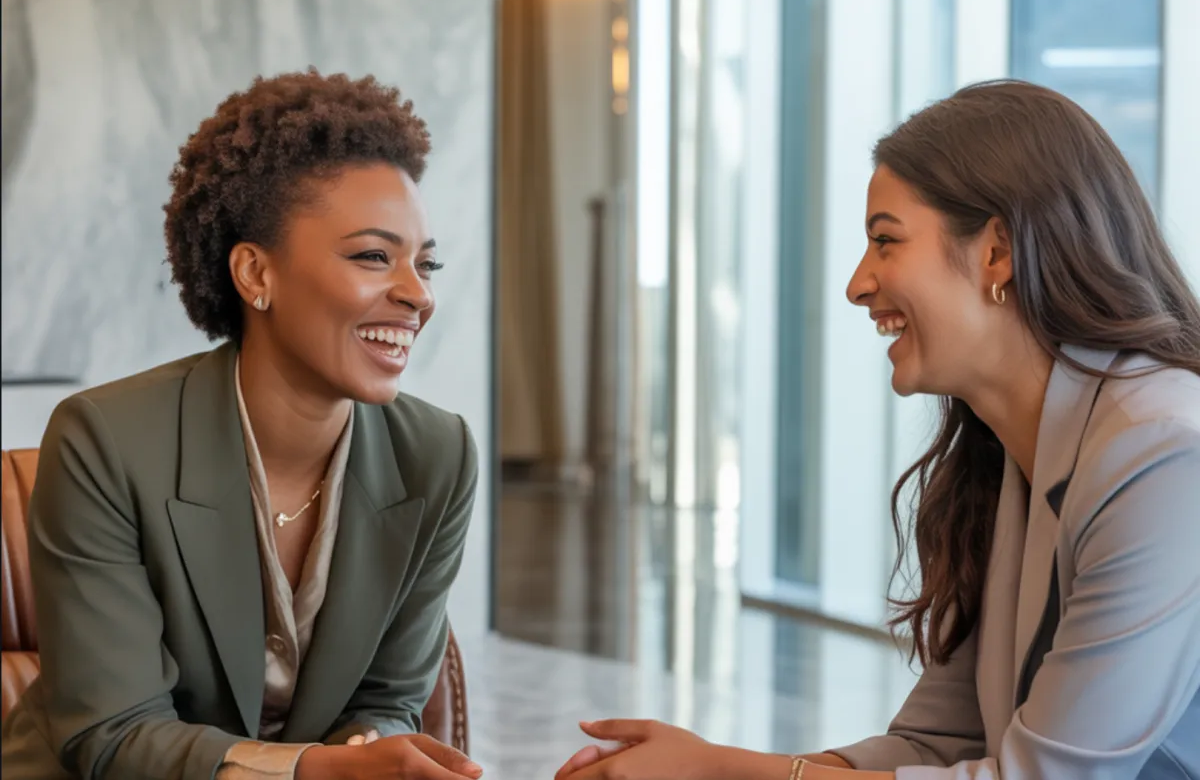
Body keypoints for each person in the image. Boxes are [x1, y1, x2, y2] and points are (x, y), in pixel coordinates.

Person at [555, 80, 1200, 779]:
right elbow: (938, 742)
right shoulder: (1011, 454)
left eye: (885, 241)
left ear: (997, 252)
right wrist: (697, 766)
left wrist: (719, 771)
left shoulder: (1163, 453)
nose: (858, 284)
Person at [1, 70, 484, 780]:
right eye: (374, 256)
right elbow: (113, 733)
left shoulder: (439, 456)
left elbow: (388, 699)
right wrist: (313, 771)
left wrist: (369, 755)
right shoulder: (104, 441)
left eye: (426, 263)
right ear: (256, 274)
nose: (418, 294)